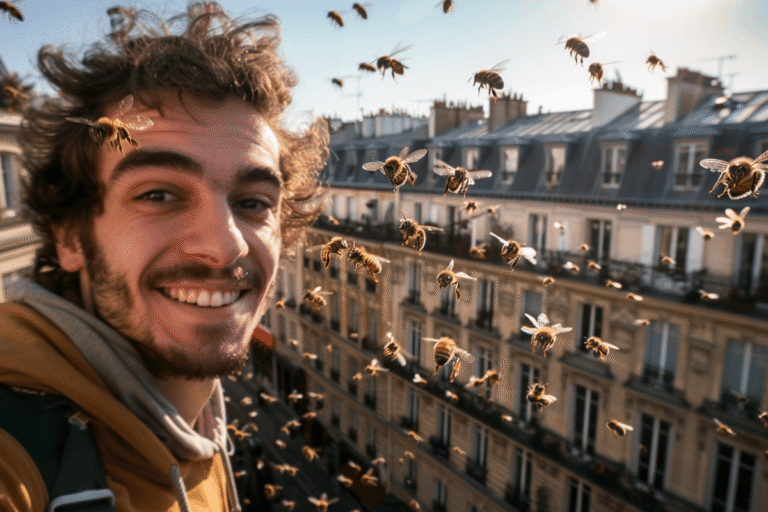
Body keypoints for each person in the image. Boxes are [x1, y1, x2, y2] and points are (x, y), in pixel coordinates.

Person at [0, 2, 327, 511]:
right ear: (70, 236)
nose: (225, 247)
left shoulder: (199, 430)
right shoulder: (19, 450)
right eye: (158, 195)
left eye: (253, 203)